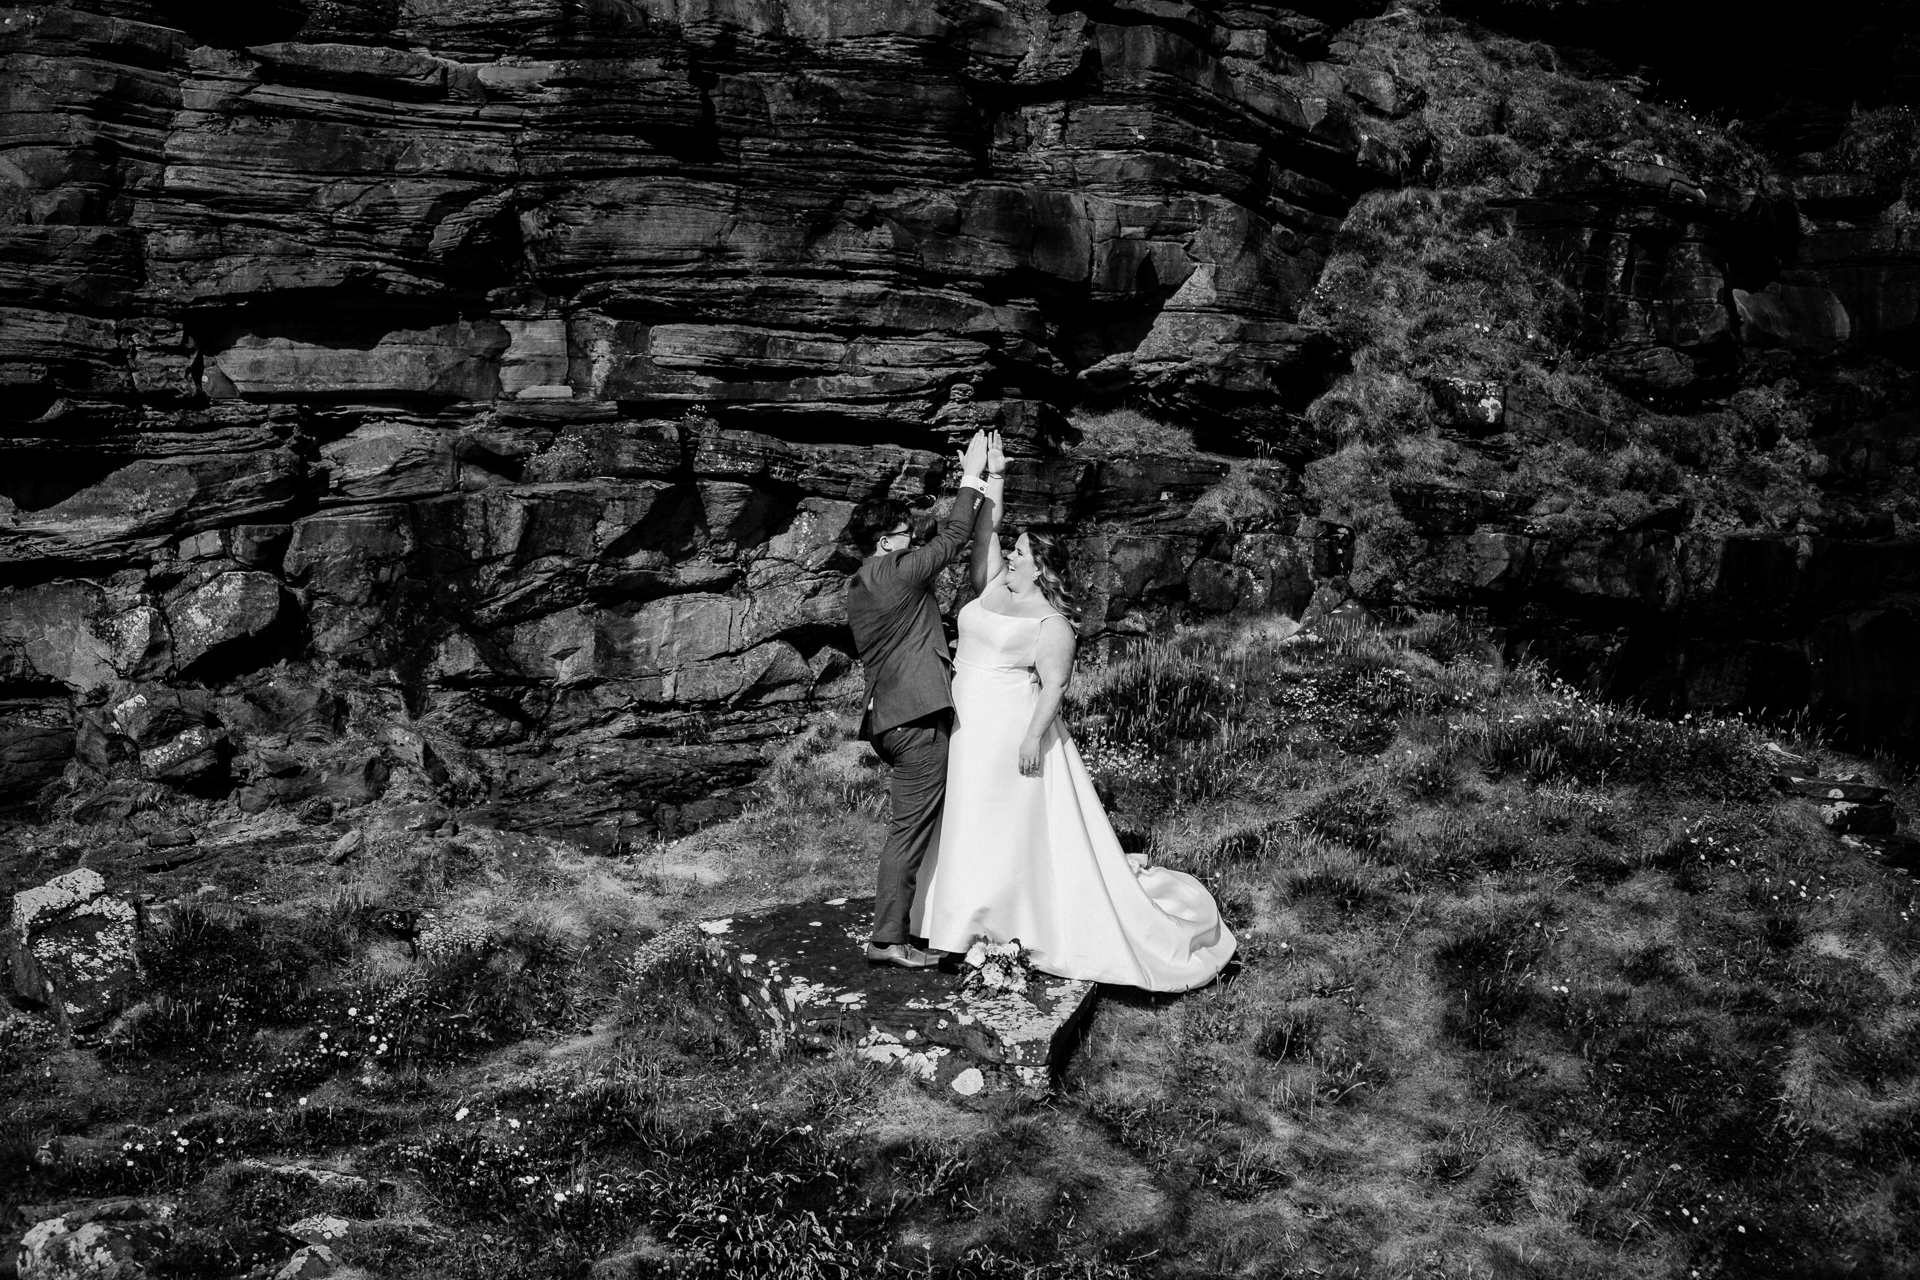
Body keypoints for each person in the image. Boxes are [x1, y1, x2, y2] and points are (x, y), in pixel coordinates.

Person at [910, 430, 1236, 991]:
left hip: (1007, 727)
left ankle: (1000, 921)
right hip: (964, 720)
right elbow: (984, 529)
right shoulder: (990, 589)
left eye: (1021, 552)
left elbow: (1056, 686)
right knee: (964, 816)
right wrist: (996, 477)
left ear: (1040, 568)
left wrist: (1033, 739)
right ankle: (952, 919)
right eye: (1012, 550)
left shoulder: (1052, 624)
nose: (1010, 553)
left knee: (1000, 823)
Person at [844, 429, 993, 969]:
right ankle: (888, 940)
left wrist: (963, 483)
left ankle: (921, 917)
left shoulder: (861, 581)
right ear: (886, 541)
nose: (914, 539)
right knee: (908, 830)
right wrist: (974, 477)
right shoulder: (901, 575)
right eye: (906, 533)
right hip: (918, 718)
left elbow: (936, 529)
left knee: (914, 825)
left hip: (889, 718)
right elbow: (952, 537)